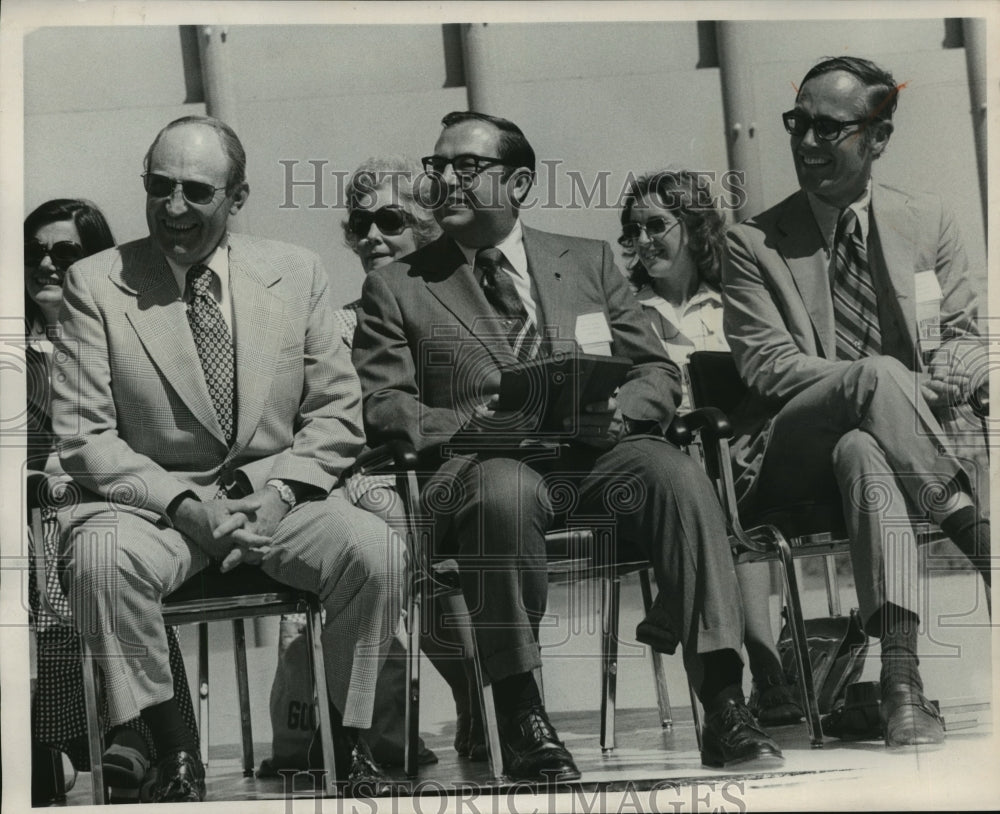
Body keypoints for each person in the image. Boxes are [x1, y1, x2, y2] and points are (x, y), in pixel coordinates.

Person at [352, 110, 784, 781]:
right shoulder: (399, 285)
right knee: (506, 485)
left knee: (677, 474)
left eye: (465, 167)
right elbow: (384, 402)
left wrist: (622, 410)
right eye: (436, 167)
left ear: (518, 181)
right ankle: (521, 714)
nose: (444, 180)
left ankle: (725, 700)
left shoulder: (587, 261)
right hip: (478, 469)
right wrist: (473, 420)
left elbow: (657, 371)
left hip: (595, 455)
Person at [49, 115, 407, 802]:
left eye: (196, 191)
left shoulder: (296, 272)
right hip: (152, 509)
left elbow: (336, 415)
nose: (174, 207)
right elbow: (87, 436)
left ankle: (347, 740)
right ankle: (171, 749)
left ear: (236, 198)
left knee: (376, 552)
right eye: (159, 187)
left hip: (278, 499)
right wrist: (189, 508)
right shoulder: (95, 283)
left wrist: (272, 499)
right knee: (97, 561)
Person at [723, 56, 990, 749]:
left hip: (892, 453)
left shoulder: (927, 220)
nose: (807, 142)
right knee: (873, 382)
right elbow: (770, 366)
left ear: (878, 137)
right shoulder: (753, 241)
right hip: (787, 456)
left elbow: (965, 336)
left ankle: (902, 685)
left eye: (828, 128)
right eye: (798, 124)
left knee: (865, 447)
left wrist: (951, 375)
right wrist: (887, 380)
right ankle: (981, 543)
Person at [24, 199, 199, 804]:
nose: (48, 263)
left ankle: (139, 735)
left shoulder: (126, 343)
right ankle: (79, 744)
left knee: (111, 551)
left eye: (67, 252)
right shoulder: (11, 351)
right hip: (28, 533)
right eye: (35, 252)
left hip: (116, 519)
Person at [619, 170, 802, 728]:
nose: (644, 240)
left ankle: (675, 608)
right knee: (705, 487)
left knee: (723, 476)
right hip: (669, 467)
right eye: (633, 230)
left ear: (695, 227)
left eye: (656, 225)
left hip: (745, 454)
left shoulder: (737, 301)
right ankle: (767, 677)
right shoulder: (623, 309)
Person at [339, 157, 485, 764]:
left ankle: (491, 700)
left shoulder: (465, 303)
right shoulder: (336, 321)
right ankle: (454, 707)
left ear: (427, 227)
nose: (372, 235)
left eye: (391, 220)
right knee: (396, 528)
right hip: (377, 474)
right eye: (360, 223)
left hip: (468, 464)